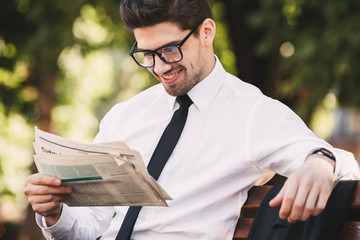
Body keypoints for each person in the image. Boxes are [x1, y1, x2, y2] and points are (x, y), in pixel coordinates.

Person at [24, 0, 360, 239]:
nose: (159, 67)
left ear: (206, 32)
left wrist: (318, 164)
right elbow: (91, 226)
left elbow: (334, 160)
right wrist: (54, 214)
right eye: (147, 54)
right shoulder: (125, 116)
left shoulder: (251, 112)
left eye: (169, 50)